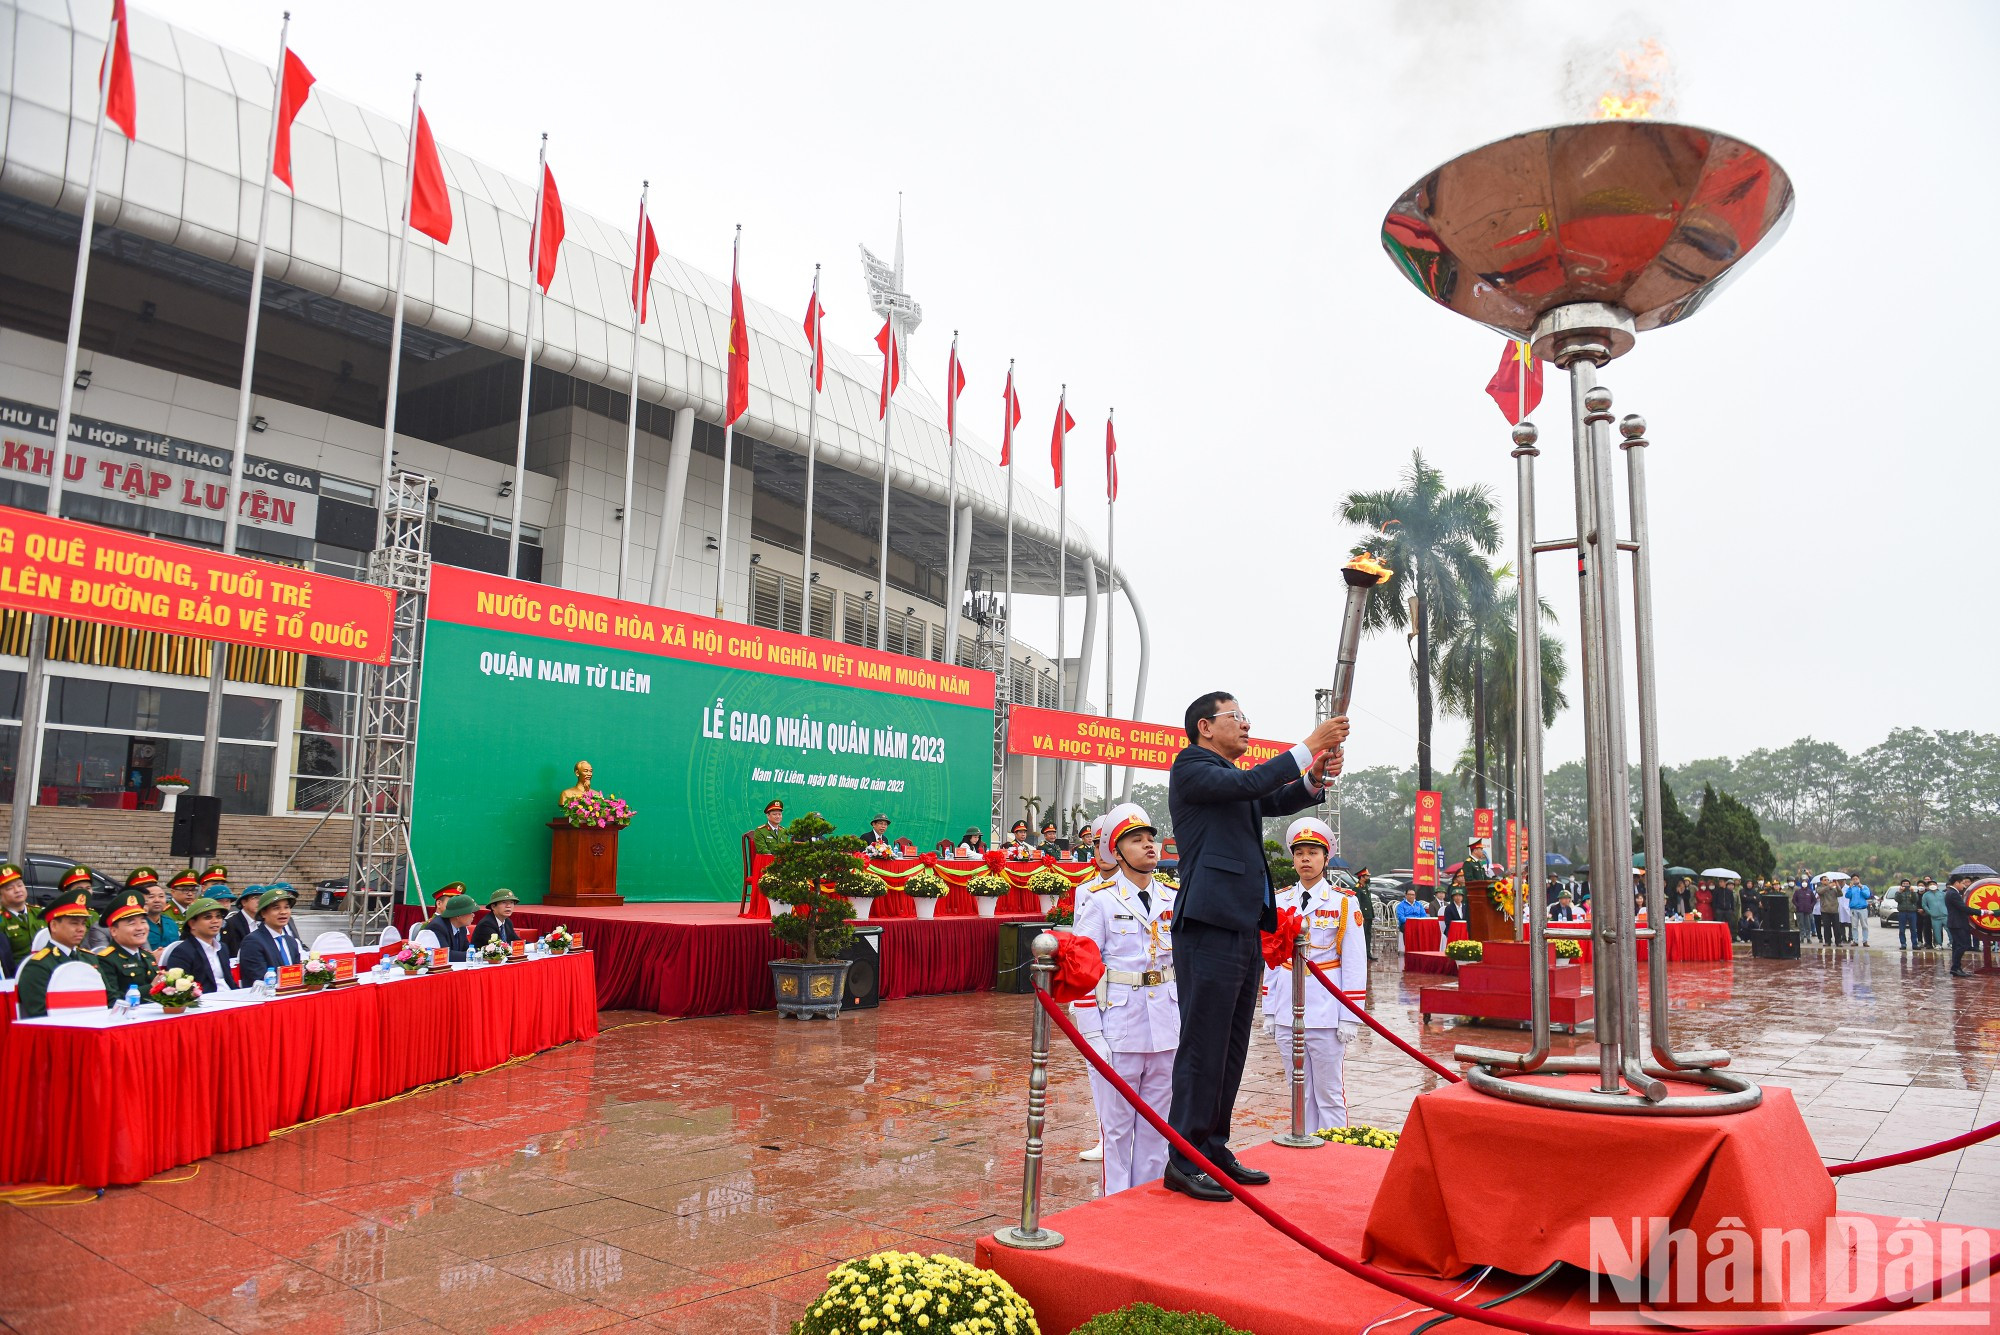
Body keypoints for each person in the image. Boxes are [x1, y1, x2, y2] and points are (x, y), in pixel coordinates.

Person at [1164, 691, 1345, 1202]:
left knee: (1232, 1044)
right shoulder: (1193, 767)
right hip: (1208, 924)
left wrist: (1313, 776)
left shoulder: (1231, 783)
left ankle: (1213, 1146)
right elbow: (1252, 782)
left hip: (1243, 923)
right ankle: (1183, 1157)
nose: (1246, 725)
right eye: (1237, 717)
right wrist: (1309, 745)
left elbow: (1274, 797)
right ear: (1205, 726)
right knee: (1203, 1045)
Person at [1075, 803, 1179, 1194]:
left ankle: (1146, 1204)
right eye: (1137, 841)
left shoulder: (1173, 897)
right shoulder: (1099, 901)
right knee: (1116, 1129)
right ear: (1117, 852)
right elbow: (1083, 970)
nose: (1149, 846)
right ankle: (1114, 1206)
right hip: (1119, 1026)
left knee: (1157, 1124)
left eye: (1151, 839)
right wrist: (1092, 1036)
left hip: (1165, 1025)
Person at [1263, 818, 1365, 1133]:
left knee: (1329, 1092)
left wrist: (1351, 1015)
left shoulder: (1343, 901)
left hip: (1326, 1010)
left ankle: (1335, 1153)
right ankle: (1304, 1150)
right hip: (1286, 1007)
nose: (1305, 859)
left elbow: (1354, 961)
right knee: (1299, 1092)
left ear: (1325, 857)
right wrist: (1268, 1008)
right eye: (1299, 853)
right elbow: (1270, 956)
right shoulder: (1280, 901)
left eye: (1312, 852)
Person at [1071, 812, 1119, 1166]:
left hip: (1130, 993)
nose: (1103, 852)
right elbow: (1079, 950)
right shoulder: (1084, 891)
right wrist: (1081, 1001)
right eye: (1098, 844)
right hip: (1096, 992)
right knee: (1097, 1068)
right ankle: (1106, 1136)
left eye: (1109, 844)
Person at [14, 885, 95, 1018]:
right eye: (74, 923)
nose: (81, 929)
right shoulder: (37, 966)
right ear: (54, 926)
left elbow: (108, 1000)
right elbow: (40, 1015)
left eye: (83, 923)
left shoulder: (90, 959)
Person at [93, 888, 161, 1001]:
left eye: (143, 921)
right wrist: (151, 988)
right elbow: (111, 1000)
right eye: (132, 923)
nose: (140, 928)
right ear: (114, 931)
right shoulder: (106, 960)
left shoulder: (147, 956)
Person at [161, 896, 237, 995]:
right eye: (208, 917)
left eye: (218, 916)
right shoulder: (182, 952)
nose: (215, 921)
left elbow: (229, 982)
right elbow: (179, 990)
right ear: (192, 924)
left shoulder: (222, 948)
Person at [236, 885, 306, 984]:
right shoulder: (253, 941)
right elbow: (257, 979)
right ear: (263, 913)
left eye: (286, 907)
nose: (283, 912)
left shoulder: (291, 942)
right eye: (276, 908)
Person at [0, 862, 40, 972]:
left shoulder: (40, 913)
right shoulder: (2, 921)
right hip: (16, 975)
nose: (17, 890)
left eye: (19, 885)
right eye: (9, 888)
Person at [421, 892, 480, 961]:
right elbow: (446, 954)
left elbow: (466, 947)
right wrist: (474, 955)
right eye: (470, 912)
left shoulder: (461, 927)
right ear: (458, 915)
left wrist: (483, 952)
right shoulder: (438, 927)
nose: (473, 915)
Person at [1946, 873, 1977, 978]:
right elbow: (1963, 908)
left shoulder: (1953, 893)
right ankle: (1955, 968)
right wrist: (1981, 912)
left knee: (1957, 946)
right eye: (1962, 883)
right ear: (1956, 883)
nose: (1964, 886)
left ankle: (1957, 968)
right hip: (1957, 923)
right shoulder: (1953, 894)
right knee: (1962, 945)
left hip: (1956, 923)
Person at [136, 871, 175, 954]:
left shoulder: (171, 922)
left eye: (161, 896)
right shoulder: (138, 925)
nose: (157, 900)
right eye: (151, 897)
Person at [221, 882, 261, 960]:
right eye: (255, 897)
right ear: (244, 902)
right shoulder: (231, 923)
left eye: (262, 898)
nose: (259, 901)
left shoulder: (263, 922)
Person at [1354, 868, 1376, 961]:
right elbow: (1357, 903)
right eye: (1367, 876)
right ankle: (1361, 954)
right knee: (1361, 935)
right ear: (1361, 877)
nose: (1368, 878)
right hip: (1362, 916)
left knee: (1368, 935)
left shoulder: (1365, 887)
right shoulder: (1357, 888)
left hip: (1368, 915)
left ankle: (1368, 952)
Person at [1846, 878, 1873, 948]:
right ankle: (1855, 941)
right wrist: (1850, 887)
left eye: (1856, 879)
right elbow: (1847, 896)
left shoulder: (1864, 887)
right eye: (1853, 879)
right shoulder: (1851, 888)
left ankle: (1865, 941)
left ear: (1859, 879)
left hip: (1863, 909)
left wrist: (1861, 888)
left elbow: (1867, 895)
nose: (1855, 880)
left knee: (1864, 925)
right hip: (1853, 909)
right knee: (1854, 926)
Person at [1922, 877, 1946, 953]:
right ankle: (1938, 944)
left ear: (1937, 885)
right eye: (1931, 884)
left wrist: (1947, 911)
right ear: (1928, 886)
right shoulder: (1926, 895)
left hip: (1945, 915)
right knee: (1936, 931)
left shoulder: (1942, 894)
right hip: (1934, 916)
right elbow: (1924, 905)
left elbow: (1948, 903)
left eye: (1934, 884)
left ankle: (1952, 943)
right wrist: (1930, 912)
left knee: (1949, 930)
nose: (1932, 885)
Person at [1895, 879, 1918, 950]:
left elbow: (1915, 900)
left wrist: (1913, 892)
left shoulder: (1912, 892)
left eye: (1907, 884)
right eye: (1904, 884)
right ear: (1901, 885)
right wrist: (1900, 892)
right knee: (1902, 929)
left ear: (1909, 885)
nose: (1905, 885)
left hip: (1912, 912)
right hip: (1902, 912)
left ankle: (1915, 944)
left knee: (1913, 929)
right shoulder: (1898, 892)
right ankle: (1903, 944)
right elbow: (1897, 900)